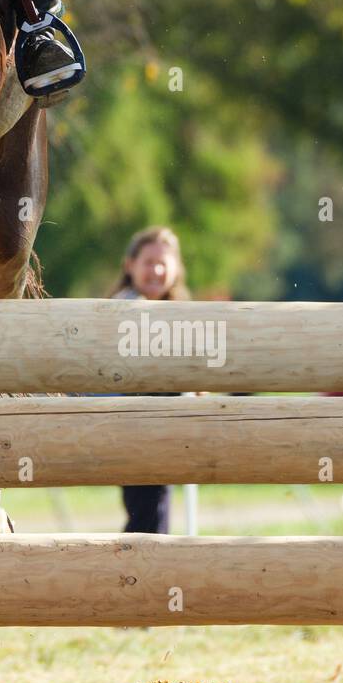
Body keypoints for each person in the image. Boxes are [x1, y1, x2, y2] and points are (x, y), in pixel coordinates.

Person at [109, 226, 191, 535]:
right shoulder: (126, 307)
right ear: (130, 265)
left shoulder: (172, 312)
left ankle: (149, 573)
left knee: (153, 511)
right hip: (134, 430)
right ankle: (143, 574)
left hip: (159, 433)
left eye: (163, 262)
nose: (156, 270)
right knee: (149, 516)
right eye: (148, 262)